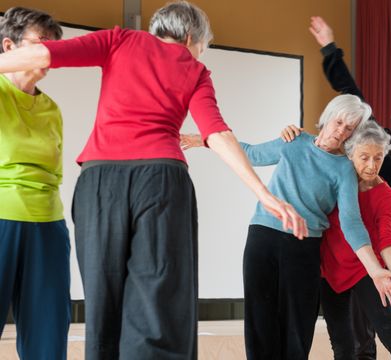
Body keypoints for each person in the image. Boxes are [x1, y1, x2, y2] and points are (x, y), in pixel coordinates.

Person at [0, 2, 309, 359]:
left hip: (100, 181)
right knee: (159, 305)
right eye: (202, 48)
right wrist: (264, 193)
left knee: (103, 302)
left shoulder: (120, 40)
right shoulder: (195, 70)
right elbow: (217, 134)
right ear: (192, 38)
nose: (199, 55)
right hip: (161, 180)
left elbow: (43, 54)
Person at [181, 94, 391, 360]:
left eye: (350, 128)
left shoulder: (344, 168)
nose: (341, 131)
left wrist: (377, 270)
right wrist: (203, 140)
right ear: (328, 117)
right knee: (260, 320)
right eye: (339, 122)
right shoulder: (294, 141)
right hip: (263, 238)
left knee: (297, 327)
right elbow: (251, 153)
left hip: (304, 247)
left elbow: (352, 223)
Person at [281, 15, 391, 360]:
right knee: (361, 339)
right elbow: (350, 92)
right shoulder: (379, 144)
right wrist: (329, 46)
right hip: (362, 252)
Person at [0, 7, 70, 360]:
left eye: (54, 44)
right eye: (41, 43)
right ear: (9, 46)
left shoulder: (52, 109)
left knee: (48, 337)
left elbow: (55, 172)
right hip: (2, 220)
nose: (50, 51)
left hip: (48, 225)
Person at [318, 120, 391, 360]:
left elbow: (386, 238)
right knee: (341, 344)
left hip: (368, 268)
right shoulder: (337, 179)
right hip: (329, 268)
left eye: (378, 157)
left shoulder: (385, 194)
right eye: (364, 157)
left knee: (390, 333)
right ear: (350, 153)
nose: (372, 166)